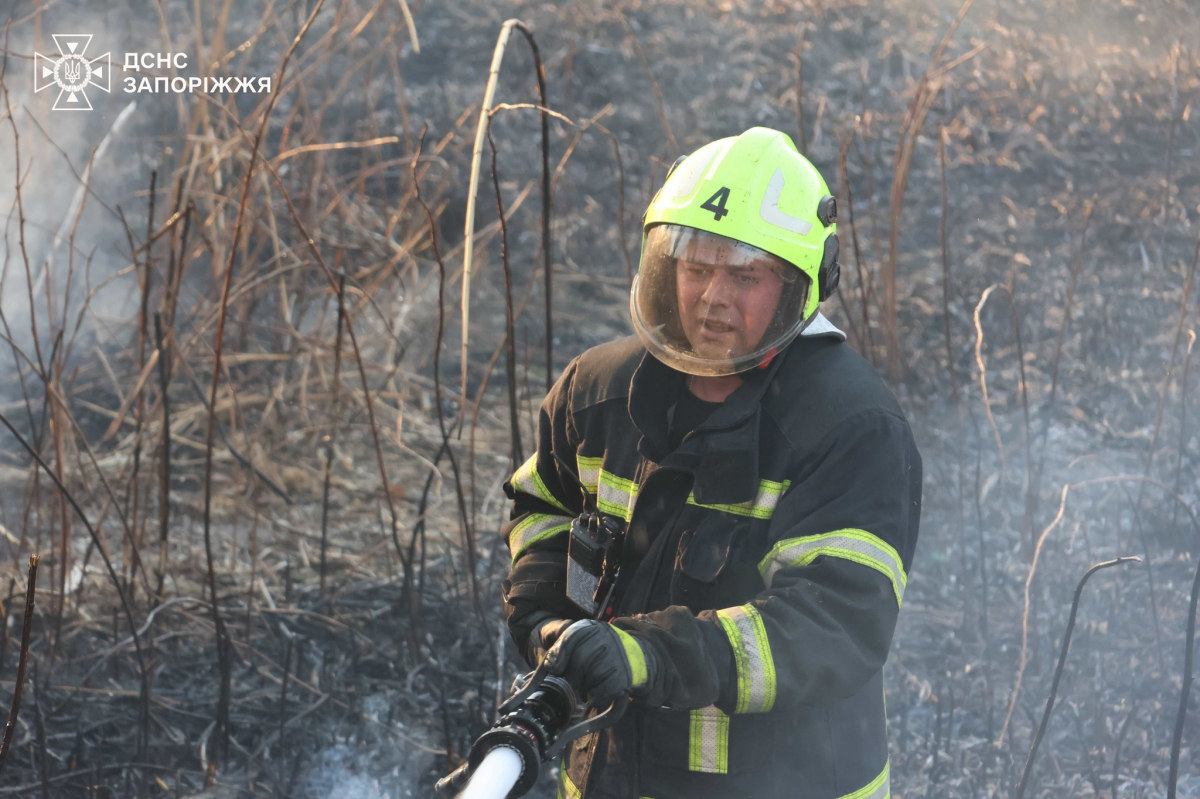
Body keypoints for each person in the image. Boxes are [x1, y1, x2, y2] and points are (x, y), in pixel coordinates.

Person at [500, 127, 921, 799]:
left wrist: (641, 655)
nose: (713, 296)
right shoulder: (599, 393)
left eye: (745, 275)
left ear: (799, 285)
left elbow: (832, 623)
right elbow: (543, 505)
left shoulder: (849, 427)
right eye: (696, 266)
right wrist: (548, 621)